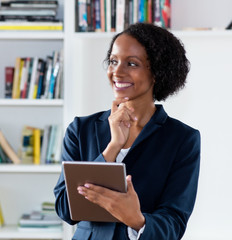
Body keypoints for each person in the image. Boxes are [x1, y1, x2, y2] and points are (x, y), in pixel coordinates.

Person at [54, 23, 200, 240]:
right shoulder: (80, 129)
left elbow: (174, 223)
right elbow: (65, 209)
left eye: (132, 63)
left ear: (158, 72)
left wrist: (136, 219)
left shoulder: (182, 139)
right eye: (113, 61)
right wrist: (112, 148)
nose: (117, 72)